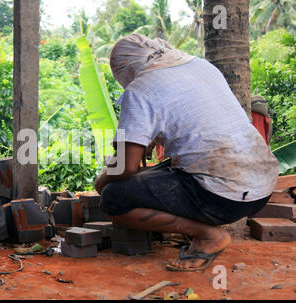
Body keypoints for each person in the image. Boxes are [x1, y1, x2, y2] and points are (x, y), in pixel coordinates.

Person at [95, 34, 280, 272]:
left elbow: (126, 167)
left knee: (113, 197)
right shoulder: (201, 66)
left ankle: (207, 235)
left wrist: (101, 181)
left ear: (124, 70)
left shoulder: (140, 88)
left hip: (222, 197)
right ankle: (196, 225)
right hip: (263, 186)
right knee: (161, 172)